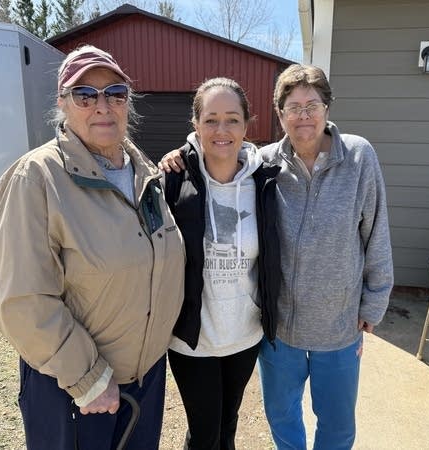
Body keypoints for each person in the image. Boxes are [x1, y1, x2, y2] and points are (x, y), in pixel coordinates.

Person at [159, 64, 393, 449]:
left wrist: (375, 301)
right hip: (278, 327)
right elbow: (214, 149)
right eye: (293, 107)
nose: (304, 116)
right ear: (279, 115)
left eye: (312, 105)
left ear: (328, 108)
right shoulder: (266, 166)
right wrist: (179, 155)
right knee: (281, 417)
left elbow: (376, 232)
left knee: (336, 424)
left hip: (337, 323)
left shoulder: (357, 157)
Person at [0, 45, 185, 450]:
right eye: (85, 94)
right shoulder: (36, 178)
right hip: (75, 390)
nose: (102, 106)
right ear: (63, 103)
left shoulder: (143, 173)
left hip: (144, 379)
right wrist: (88, 379)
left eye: (115, 93)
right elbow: (22, 300)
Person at [160, 77, 280, 450]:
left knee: (229, 424)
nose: (222, 130)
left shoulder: (265, 181)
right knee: (204, 431)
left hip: (244, 334)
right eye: (211, 120)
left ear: (247, 125)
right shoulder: (172, 180)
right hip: (193, 338)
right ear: (195, 125)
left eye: (232, 119)